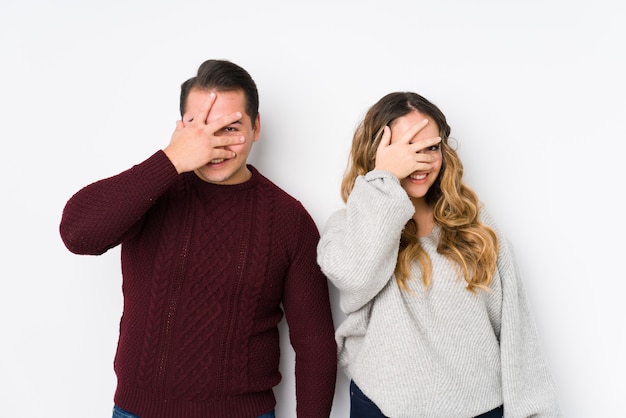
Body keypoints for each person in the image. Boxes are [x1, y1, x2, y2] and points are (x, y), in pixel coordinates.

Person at [60, 59, 337, 418]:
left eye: (230, 128)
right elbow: (78, 234)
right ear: (181, 130)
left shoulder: (288, 219)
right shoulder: (150, 192)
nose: (216, 145)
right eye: (202, 128)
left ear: (255, 127)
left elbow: (314, 342)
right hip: (139, 411)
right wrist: (170, 159)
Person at [317, 92, 562, 418]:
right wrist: (385, 181)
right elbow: (356, 277)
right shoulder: (347, 227)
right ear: (379, 154)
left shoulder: (477, 226)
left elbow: (516, 330)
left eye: (430, 148)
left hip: (480, 408)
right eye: (405, 149)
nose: (420, 161)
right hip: (381, 406)